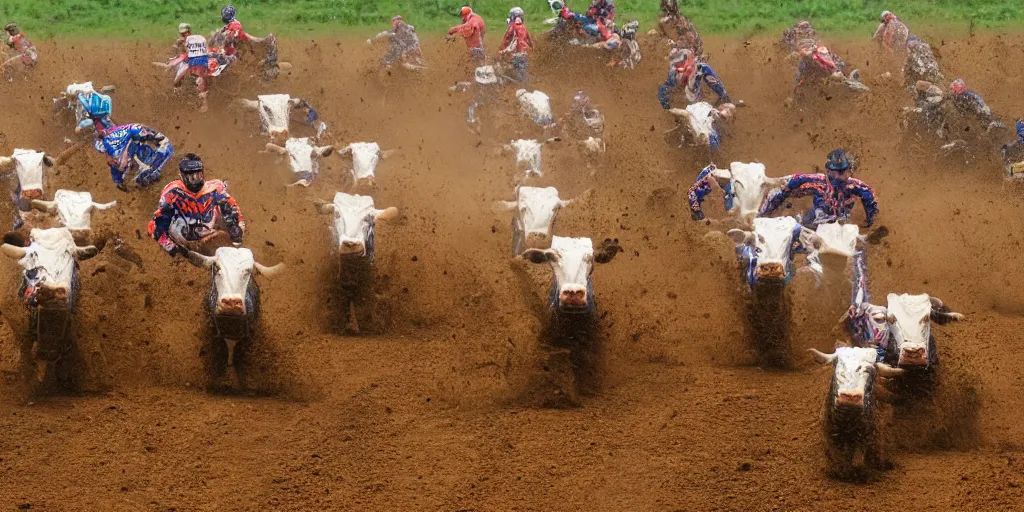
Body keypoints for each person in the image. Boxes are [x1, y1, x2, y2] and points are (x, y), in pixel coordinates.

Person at [148, 153, 244, 257]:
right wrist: (169, 245)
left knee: (227, 206)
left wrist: (237, 227)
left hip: (207, 228)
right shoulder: (173, 191)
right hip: (182, 232)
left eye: (198, 175)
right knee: (165, 214)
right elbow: (155, 224)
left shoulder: (214, 188)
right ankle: (179, 247)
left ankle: (234, 240)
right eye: (190, 176)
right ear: (181, 176)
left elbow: (233, 207)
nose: (194, 180)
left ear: (203, 173)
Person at [759, 149, 879, 228]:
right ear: (827, 170)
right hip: (817, 216)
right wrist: (784, 192)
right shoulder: (819, 181)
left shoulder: (855, 186)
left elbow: (869, 196)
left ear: (848, 171)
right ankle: (762, 216)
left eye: (841, 172)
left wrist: (870, 220)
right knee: (799, 227)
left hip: (840, 221)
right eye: (832, 172)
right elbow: (797, 178)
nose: (836, 176)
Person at [95, 122, 174, 191]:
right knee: (142, 179)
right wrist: (118, 181)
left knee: (166, 152)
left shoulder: (121, 139)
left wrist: (155, 136)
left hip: (148, 155)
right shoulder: (112, 152)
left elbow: (134, 128)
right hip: (142, 159)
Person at [658, 49, 729, 109]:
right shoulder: (673, 74)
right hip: (684, 96)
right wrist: (666, 106)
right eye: (678, 64)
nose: (682, 65)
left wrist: (723, 96)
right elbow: (664, 87)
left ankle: (724, 98)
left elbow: (714, 82)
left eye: (682, 62)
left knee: (703, 71)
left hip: (695, 89)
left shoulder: (701, 68)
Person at [162, 23, 210, 112]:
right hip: (185, 61)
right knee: (177, 79)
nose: (184, 36)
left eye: (185, 33)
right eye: (182, 34)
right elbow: (175, 53)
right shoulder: (180, 42)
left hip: (192, 63)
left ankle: (203, 102)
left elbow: (203, 50)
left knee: (198, 77)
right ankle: (177, 94)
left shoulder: (195, 40)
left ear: (189, 32)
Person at [498, 7, 534, 82]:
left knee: (517, 73)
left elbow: (506, 39)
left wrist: (501, 49)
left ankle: (521, 86)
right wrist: (532, 48)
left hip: (517, 53)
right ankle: (526, 83)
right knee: (523, 70)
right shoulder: (524, 27)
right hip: (525, 52)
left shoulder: (512, 26)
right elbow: (530, 40)